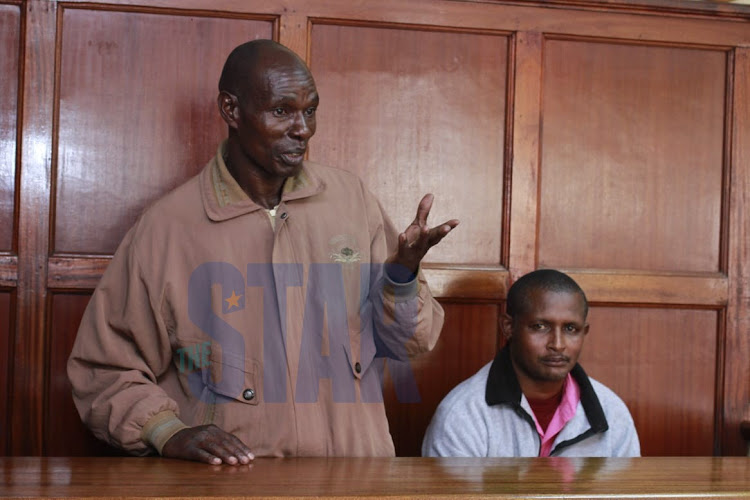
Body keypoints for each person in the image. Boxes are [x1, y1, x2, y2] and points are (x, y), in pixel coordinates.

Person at [67, 39, 458, 465]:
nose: (303, 129)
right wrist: (167, 432)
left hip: (353, 482)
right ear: (231, 110)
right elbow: (104, 371)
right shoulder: (166, 228)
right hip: (230, 488)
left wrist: (401, 278)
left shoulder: (353, 201)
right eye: (281, 111)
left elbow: (409, 343)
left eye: (310, 110)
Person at [422, 269, 640, 457]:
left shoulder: (612, 412)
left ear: (585, 332)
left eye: (570, 329)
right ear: (508, 327)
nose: (557, 344)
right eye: (540, 326)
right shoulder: (463, 415)